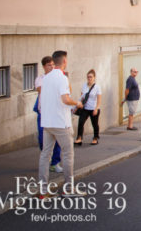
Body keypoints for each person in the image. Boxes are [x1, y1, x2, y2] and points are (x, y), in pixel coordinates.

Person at [38, 50, 84, 197]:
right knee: (68, 155)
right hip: (61, 123)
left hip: (47, 123)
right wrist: (77, 102)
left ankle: (43, 191)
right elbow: (65, 99)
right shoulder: (62, 78)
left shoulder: (46, 78)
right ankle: (68, 189)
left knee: (45, 156)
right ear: (64, 61)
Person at [34, 56, 62, 173]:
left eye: (53, 64)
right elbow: (41, 89)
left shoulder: (58, 78)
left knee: (58, 139)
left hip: (55, 113)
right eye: (49, 65)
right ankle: (47, 156)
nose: (51, 67)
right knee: (42, 139)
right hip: (43, 113)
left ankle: (55, 163)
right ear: (44, 66)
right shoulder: (40, 79)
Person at [75, 69, 102, 145]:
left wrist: (96, 108)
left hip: (93, 108)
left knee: (95, 124)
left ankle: (95, 138)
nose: (89, 78)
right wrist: (78, 106)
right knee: (81, 122)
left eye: (91, 77)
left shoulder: (97, 87)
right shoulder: (84, 85)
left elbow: (99, 99)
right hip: (85, 108)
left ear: (94, 77)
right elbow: (82, 97)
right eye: (88, 77)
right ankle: (79, 138)